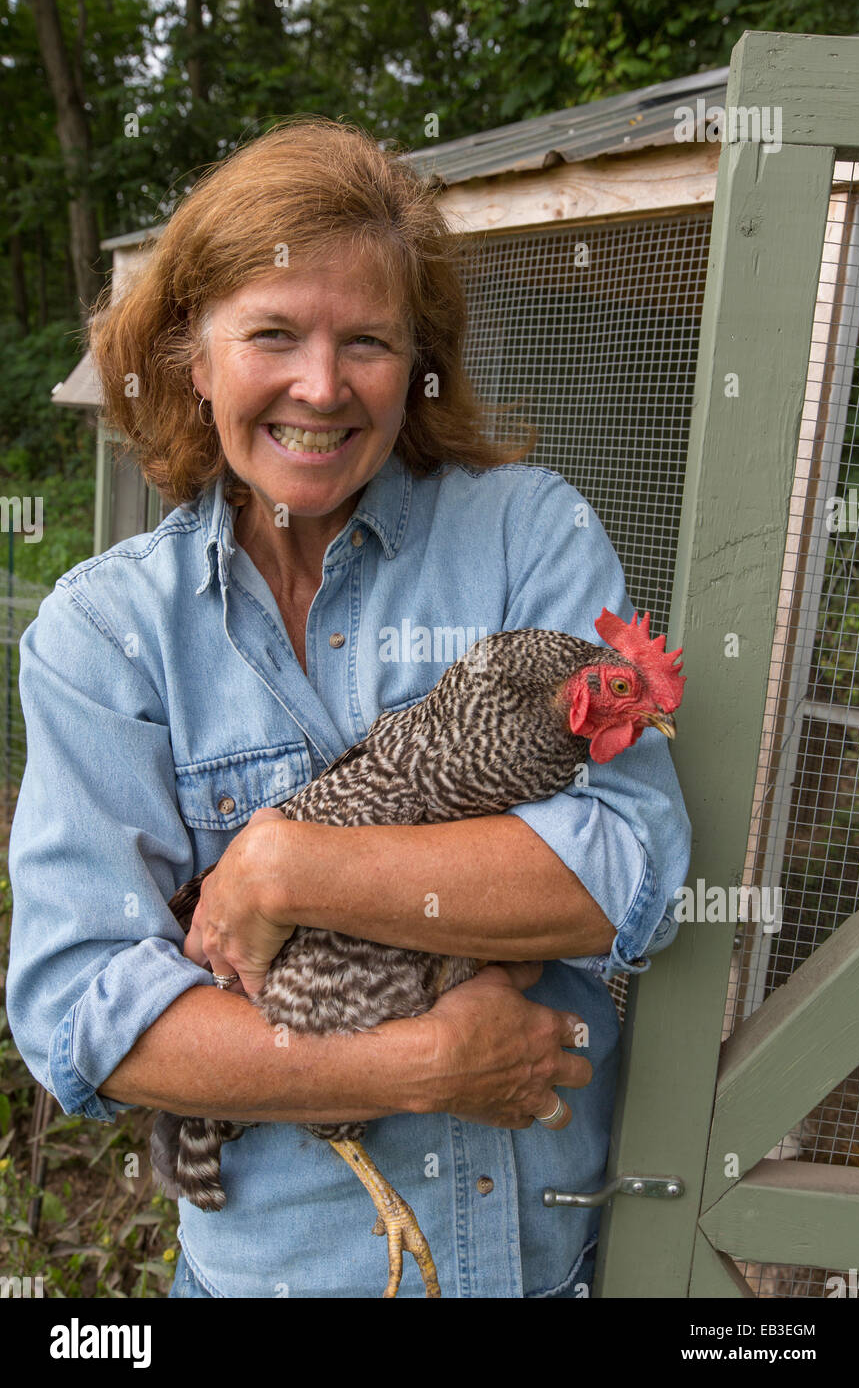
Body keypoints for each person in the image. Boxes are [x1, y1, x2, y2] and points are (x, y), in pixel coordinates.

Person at [7, 115, 690, 1299]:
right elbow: (87, 1012)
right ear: (191, 354)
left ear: (416, 360)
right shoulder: (104, 635)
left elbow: (627, 863)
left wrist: (285, 868)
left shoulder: (527, 534)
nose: (321, 386)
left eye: (366, 340)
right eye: (272, 332)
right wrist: (421, 1062)